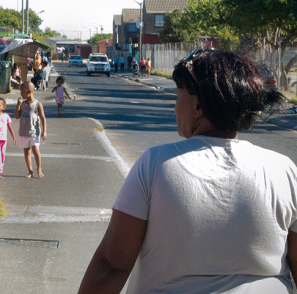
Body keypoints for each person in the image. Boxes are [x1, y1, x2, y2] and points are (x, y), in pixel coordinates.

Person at [78, 49, 293, 294]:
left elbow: (111, 265)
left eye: (178, 96)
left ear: (198, 106)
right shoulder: (284, 170)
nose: (175, 106)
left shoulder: (156, 164)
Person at [15, 82, 47, 178]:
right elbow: (16, 116)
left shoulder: (37, 104)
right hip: (24, 132)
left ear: (29, 91)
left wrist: (44, 131)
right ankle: (30, 171)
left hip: (35, 132)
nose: (21, 94)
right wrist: (18, 105)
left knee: (35, 149)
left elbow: (42, 118)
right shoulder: (22, 104)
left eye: (22, 92)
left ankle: (39, 169)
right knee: (26, 151)